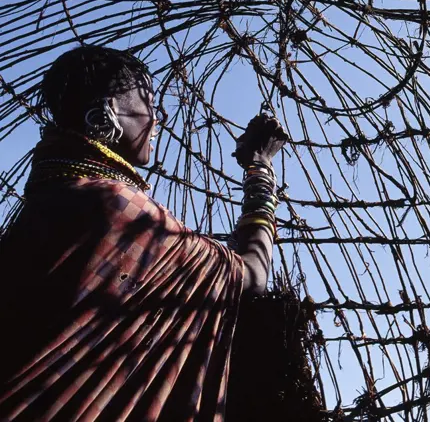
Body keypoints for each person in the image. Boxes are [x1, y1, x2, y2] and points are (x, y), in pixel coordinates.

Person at [0, 45, 287, 421]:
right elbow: (250, 274)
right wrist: (260, 171)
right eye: (149, 103)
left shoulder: (47, 199)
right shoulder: (119, 210)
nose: (158, 119)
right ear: (108, 113)